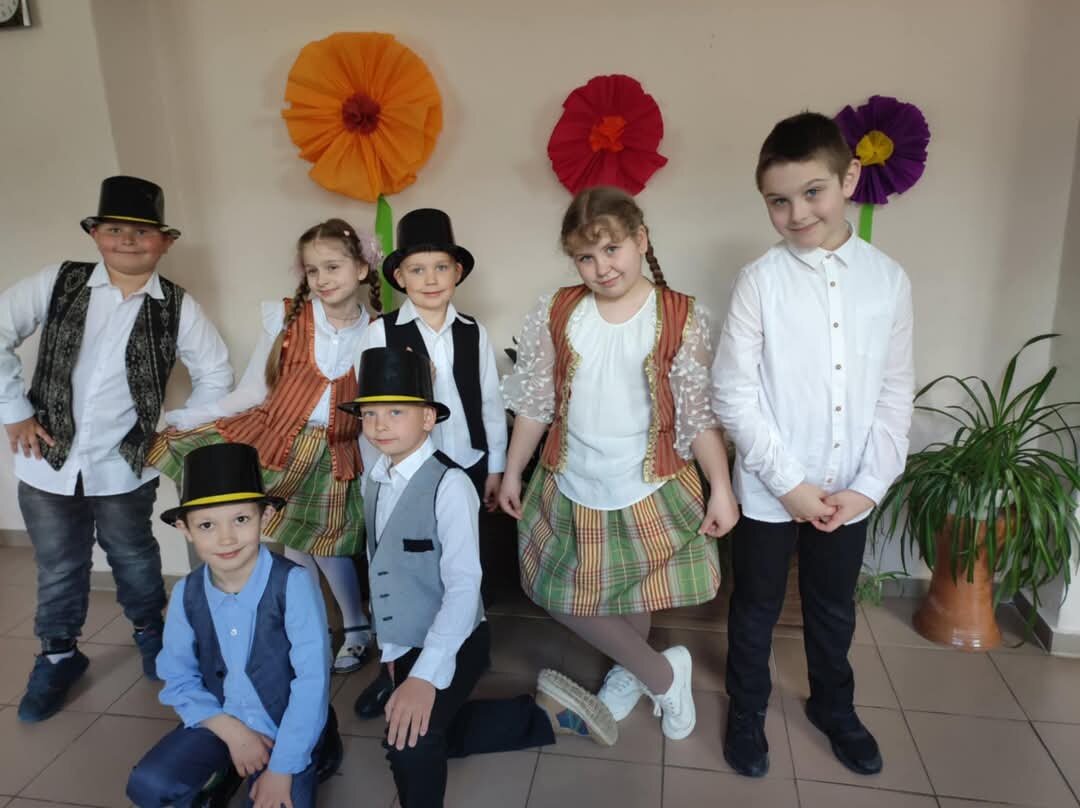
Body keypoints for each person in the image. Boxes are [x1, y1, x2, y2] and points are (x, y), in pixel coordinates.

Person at [712, 111, 915, 777]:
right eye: (778, 201)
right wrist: (790, 485)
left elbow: (895, 391)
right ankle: (747, 710)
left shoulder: (888, 280)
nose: (797, 213)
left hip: (849, 488)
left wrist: (869, 486)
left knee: (832, 607)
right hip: (773, 490)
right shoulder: (759, 281)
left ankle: (834, 705)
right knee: (756, 606)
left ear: (849, 179)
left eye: (812, 192)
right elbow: (734, 393)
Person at [499, 186, 739, 741]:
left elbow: (697, 414)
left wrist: (721, 486)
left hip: (648, 481)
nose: (602, 268)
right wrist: (513, 470)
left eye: (612, 249)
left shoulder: (679, 315)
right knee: (559, 594)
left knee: (632, 590)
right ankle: (662, 674)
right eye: (586, 257)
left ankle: (634, 671)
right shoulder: (558, 310)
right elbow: (536, 402)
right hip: (572, 478)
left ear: (641, 240)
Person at [0, 175, 233, 722]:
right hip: (46, 464)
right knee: (59, 565)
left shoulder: (177, 306)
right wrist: (15, 411)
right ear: (95, 234)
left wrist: (173, 430)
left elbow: (216, 373)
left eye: (142, 232)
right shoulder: (58, 282)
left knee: (133, 555)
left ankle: (152, 634)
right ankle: (59, 654)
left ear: (165, 242)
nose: (128, 240)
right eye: (115, 229)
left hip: (125, 467)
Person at [340, 346, 614, 808]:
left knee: (408, 745)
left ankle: (526, 719)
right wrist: (392, 652)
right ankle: (543, 713)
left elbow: (465, 588)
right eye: (369, 414)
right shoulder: (374, 480)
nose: (380, 425)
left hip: (457, 638)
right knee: (423, 732)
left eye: (395, 412)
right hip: (405, 637)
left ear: (428, 418)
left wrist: (424, 676)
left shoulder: (449, 486)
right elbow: (380, 566)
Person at [151, 218, 382, 674]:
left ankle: (354, 626)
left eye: (333, 267)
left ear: (361, 269)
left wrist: (377, 472)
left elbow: (372, 411)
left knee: (326, 545)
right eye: (312, 270)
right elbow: (252, 391)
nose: (322, 279)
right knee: (295, 544)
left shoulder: (378, 331)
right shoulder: (288, 317)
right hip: (277, 444)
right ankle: (312, 628)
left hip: (334, 454)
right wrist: (189, 417)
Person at [353, 207, 507, 719]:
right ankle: (394, 669)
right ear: (399, 277)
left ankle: (460, 657)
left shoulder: (473, 331)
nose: (431, 279)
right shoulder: (382, 331)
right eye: (417, 270)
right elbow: (372, 411)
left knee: (462, 568)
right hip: (408, 474)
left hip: (466, 467)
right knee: (405, 571)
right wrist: (378, 479)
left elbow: (489, 402)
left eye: (441, 267)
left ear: (457, 272)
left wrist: (495, 468)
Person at [126, 442, 341, 808]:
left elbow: (312, 682)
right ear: (185, 528)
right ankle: (224, 770)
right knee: (149, 785)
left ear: (265, 516)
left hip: (286, 728)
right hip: (222, 719)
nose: (226, 539)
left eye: (241, 519)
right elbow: (178, 674)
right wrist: (231, 731)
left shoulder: (293, 584)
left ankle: (318, 749)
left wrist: (282, 768)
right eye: (207, 525)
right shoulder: (186, 593)